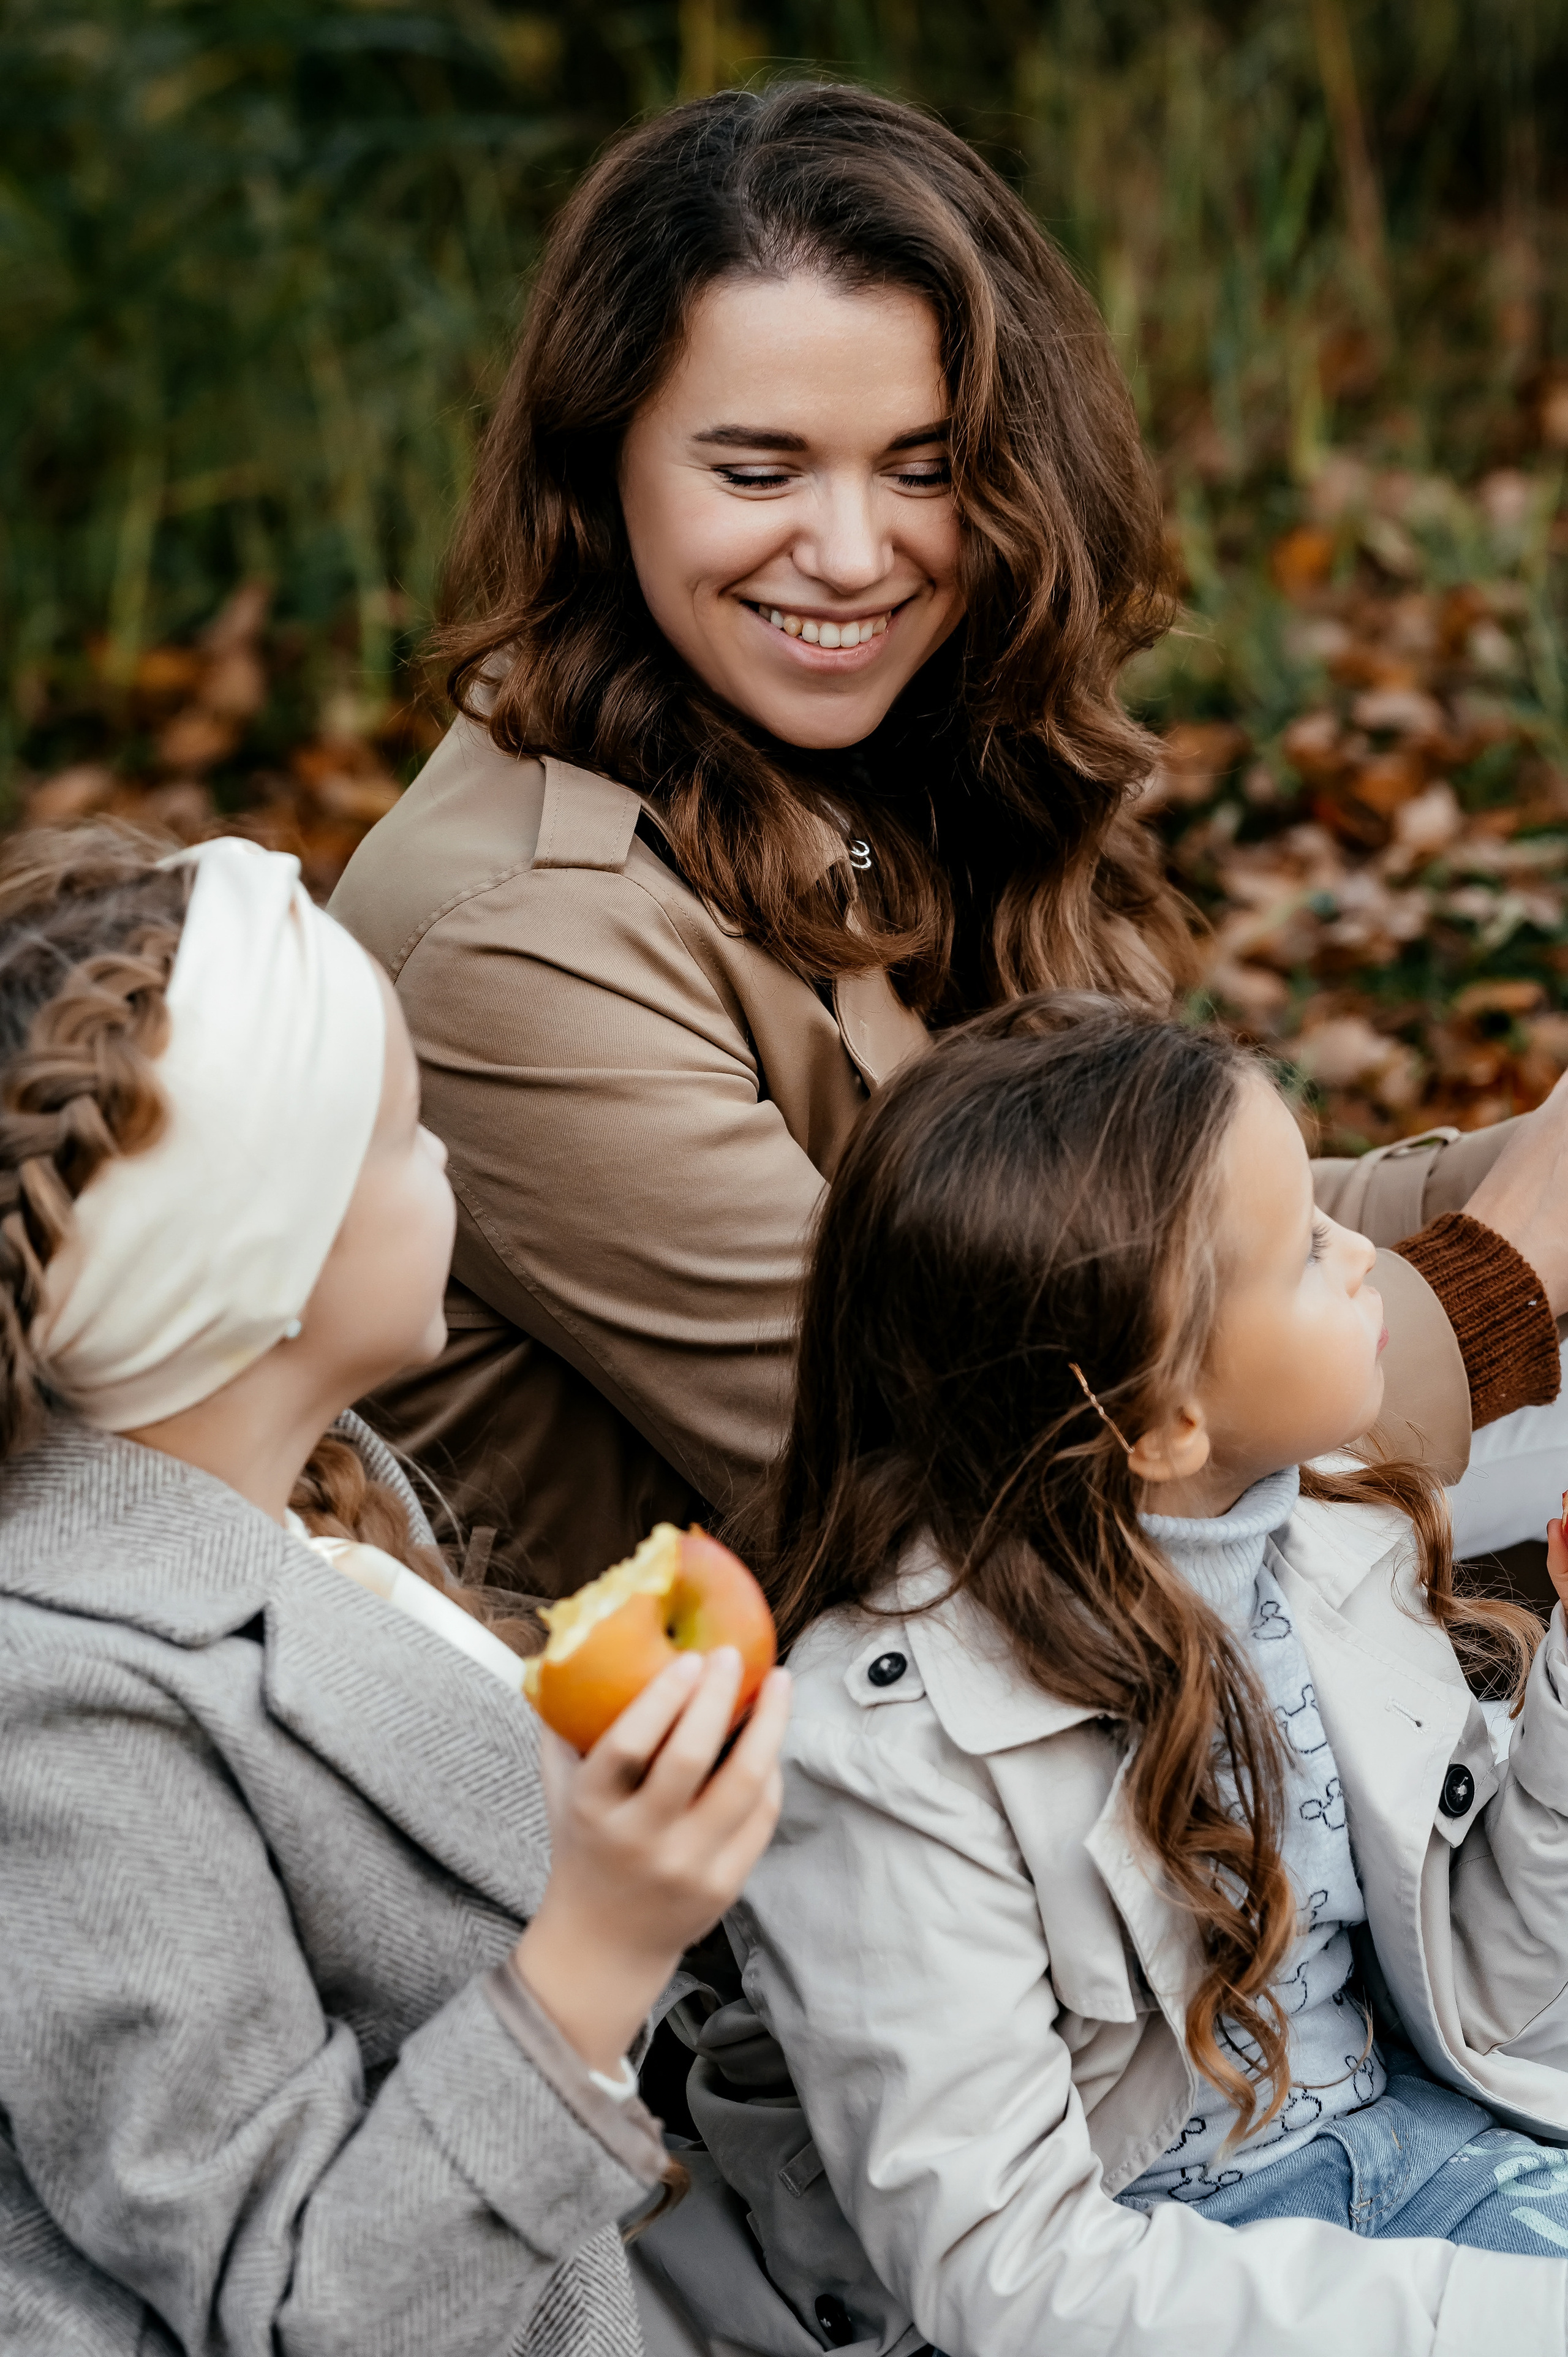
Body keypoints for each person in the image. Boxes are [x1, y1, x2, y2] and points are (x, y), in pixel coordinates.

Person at [332, 80, 1568, 1602]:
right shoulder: (518, 936)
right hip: (761, 1788)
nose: (854, 556)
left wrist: (1519, 1171)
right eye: (758, 471)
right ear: (600, 474)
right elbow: (971, 1495)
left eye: (922, 469)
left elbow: (1163, 1267)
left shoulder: (859, 755)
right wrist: (1497, 1280)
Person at [0, 825, 789, 2357]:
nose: (443, 1166)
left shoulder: (310, 1484)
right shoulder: (65, 1715)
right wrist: (597, 1951)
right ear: (262, 1249)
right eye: (404, 1133)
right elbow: (301, 2314)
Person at [709, 991, 1568, 2357]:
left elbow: (1494, 1998)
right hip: (1161, 2281)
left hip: (1412, 2147)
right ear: (1160, 1419)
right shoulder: (883, 1755)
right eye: (1300, 1254)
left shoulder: (1313, 1535)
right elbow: (1012, 2275)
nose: (1364, 1257)